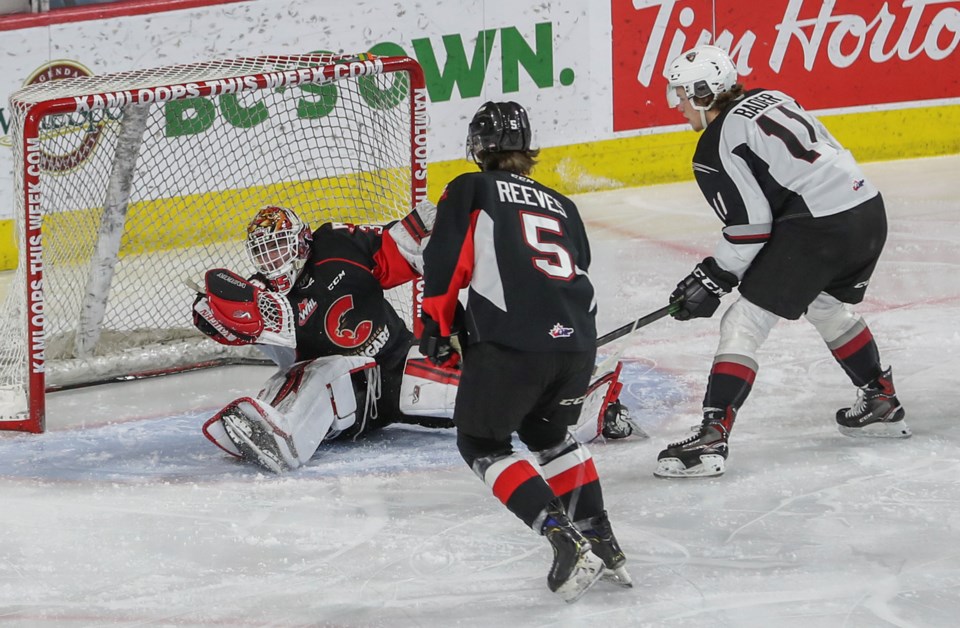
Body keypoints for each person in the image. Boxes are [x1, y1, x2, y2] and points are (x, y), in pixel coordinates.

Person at [192, 204, 634, 474]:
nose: (272, 258)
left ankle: (587, 404)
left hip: (396, 367)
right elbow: (231, 326)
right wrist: (213, 316)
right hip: (334, 398)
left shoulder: (336, 244)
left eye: (279, 246)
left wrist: (437, 220)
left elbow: (396, 250)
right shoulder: (261, 297)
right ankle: (275, 429)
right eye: (263, 251)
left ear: (301, 241)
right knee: (318, 371)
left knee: (486, 397)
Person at [655, 45, 910, 479]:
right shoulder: (774, 96)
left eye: (681, 94)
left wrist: (713, 278)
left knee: (743, 323)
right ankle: (880, 400)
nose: (676, 104)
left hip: (820, 227)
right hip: (866, 208)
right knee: (825, 304)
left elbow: (751, 227)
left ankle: (712, 438)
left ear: (703, 93)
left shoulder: (714, 145)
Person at [419, 101, 631, 603]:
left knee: (481, 443)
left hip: (513, 345)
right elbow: (575, 265)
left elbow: (445, 261)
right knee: (550, 435)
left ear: (478, 149)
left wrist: (436, 324)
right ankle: (602, 539)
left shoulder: (469, 189)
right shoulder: (564, 205)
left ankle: (564, 538)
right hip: (576, 345)